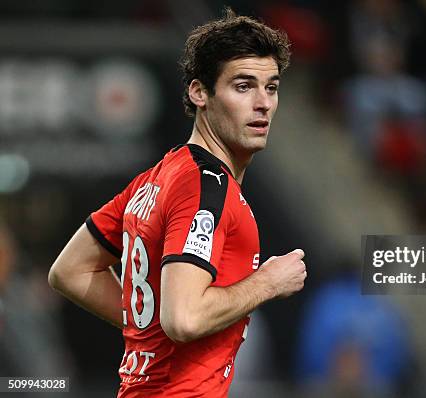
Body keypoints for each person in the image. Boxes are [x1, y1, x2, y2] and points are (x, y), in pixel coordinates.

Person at [48, 9, 307, 397]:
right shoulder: (206, 185)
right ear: (199, 92)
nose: (263, 103)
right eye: (242, 86)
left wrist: (147, 327)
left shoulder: (155, 179)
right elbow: (185, 319)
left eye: (271, 87)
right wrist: (267, 283)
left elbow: (70, 271)